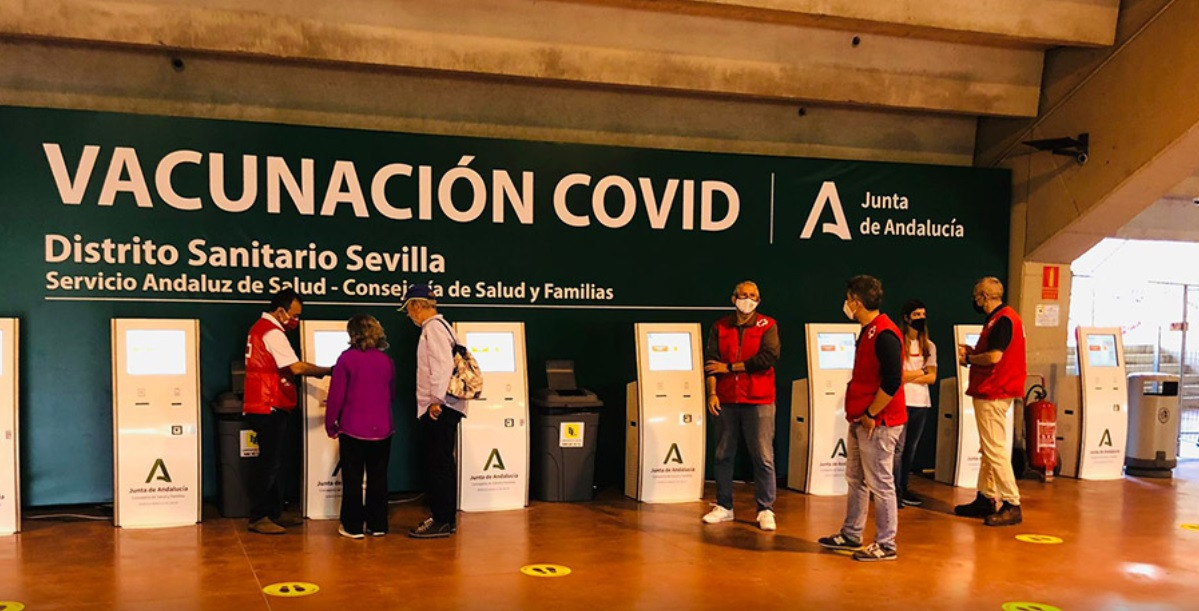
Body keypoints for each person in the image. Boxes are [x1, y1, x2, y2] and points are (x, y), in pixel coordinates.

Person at [819, 275, 905, 561]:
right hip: (860, 419)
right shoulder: (868, 331)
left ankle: (886, 544)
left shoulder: (885, 334)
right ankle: (852, 533)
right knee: (856, 477)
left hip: (878, 423)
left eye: (848, 300)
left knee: (880, 482)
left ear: (856, 302)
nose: (846, 305)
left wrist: (871, 413)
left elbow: (893, 382)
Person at [243, 288, 332, 535]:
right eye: (294, 315)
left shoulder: (259, 328)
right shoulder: (273, 332)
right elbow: (295, 367)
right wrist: (330, 370)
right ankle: (259, 516)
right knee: (269, 463)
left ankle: (272, 513)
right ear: (281, 311)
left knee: (274, 461)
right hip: (268, 403)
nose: (296, 321)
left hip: (264, 402)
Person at [701, 280, 781, 531]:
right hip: (726, 400)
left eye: (753, 295)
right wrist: (712, 393)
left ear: (759, 300)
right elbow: (711, 363)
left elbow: (769, 357)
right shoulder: (720, 326)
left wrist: (731, 367)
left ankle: (766, 509)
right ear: (733, 298)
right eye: (743, 295)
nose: (748, 299)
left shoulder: (768, 325)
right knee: (723, 454)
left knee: (763, 457)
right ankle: (724, 506)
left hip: (759, 400)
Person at [954, 277, 1027, 527]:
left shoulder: (1003, 319)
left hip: (994, 390)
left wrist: (971, 359)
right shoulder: (1002, 318)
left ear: (984, 296)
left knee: (994, 449)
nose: (975, 300)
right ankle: (986, 497)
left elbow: (995, 357)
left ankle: (1011, 502)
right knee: (988, 448)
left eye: (977, 295)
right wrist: (975, 353)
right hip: (995, 389)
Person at [401, 284, 465, 538]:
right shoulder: (443, 326)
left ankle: (441, 520)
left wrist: (437, 401)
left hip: (440, 406)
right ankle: (445, 518)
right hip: (447, 404)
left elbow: (441, 366)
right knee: (442, 463)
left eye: (408, 309)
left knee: (438, 464)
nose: (409, 315)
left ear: (417, 305)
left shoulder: (433, 329)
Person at [326, 315, 396, 540]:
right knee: (379, 477)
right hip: (383, 428)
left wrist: (331, 424)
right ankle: (378, 525)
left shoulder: (346, 359)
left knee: (353, 478)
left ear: (352, 334)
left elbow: (336, 397)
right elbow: (391, 394)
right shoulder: (387, 361)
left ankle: (353, 526)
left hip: (353, 429)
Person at [894, 300, 937, 507]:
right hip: (901, 401)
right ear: (906, 318)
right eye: (916, 314)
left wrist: (913, 375)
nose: (920, 318)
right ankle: (893, 490)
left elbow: (932, 377)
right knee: (898, 448)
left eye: (923, 314)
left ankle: (904, 486)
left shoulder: (929, 346)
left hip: (921, 403)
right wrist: (921, 372)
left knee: (911, 448)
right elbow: (898, 376)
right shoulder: (898, 343)